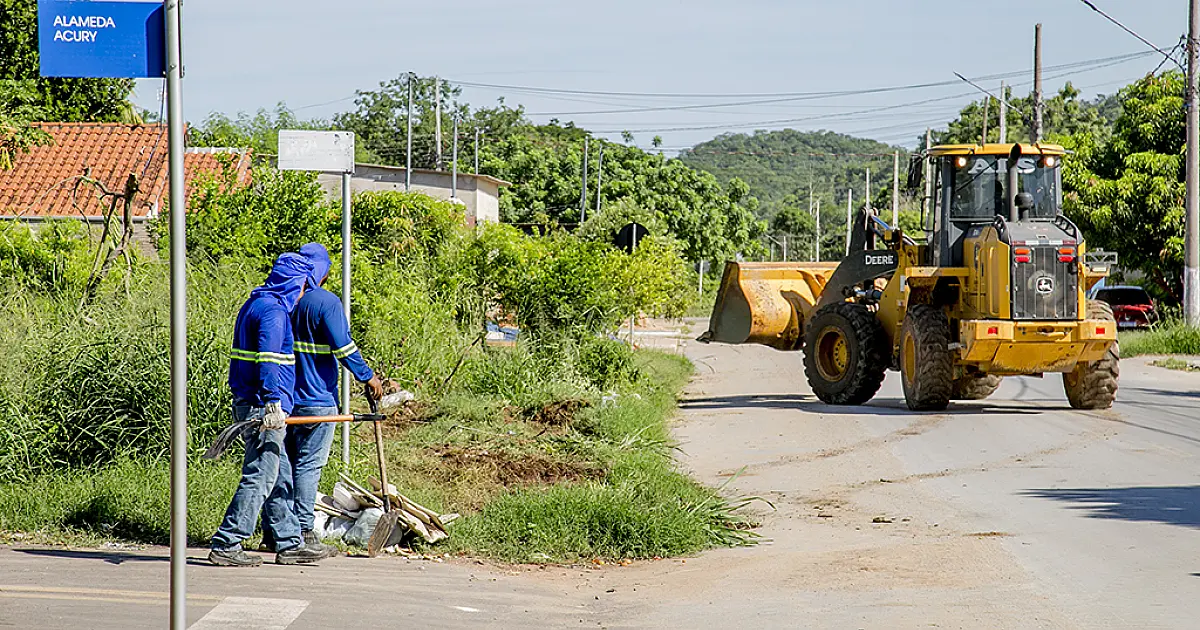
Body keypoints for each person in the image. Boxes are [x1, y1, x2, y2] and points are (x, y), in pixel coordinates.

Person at [260, 242, 383, 556]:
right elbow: (344, 349)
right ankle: (303, 530)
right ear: (323, 271)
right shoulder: (325, 302)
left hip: (285, 400)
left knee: (281, 466)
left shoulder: (283, 300)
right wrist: (368, 377)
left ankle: (274, 532)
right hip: (317, 399)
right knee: (308, 467)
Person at [209, 253, 326, 568]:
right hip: (263, 408)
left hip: (252, 402)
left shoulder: (254, 304)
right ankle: (227, 542)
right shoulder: (274, 314)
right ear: (293, 283)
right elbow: (269, 360)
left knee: (279, 475)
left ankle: (289, 543)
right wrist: (273, 402)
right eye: (302, 287)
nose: (303, 294)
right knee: (261, 475)